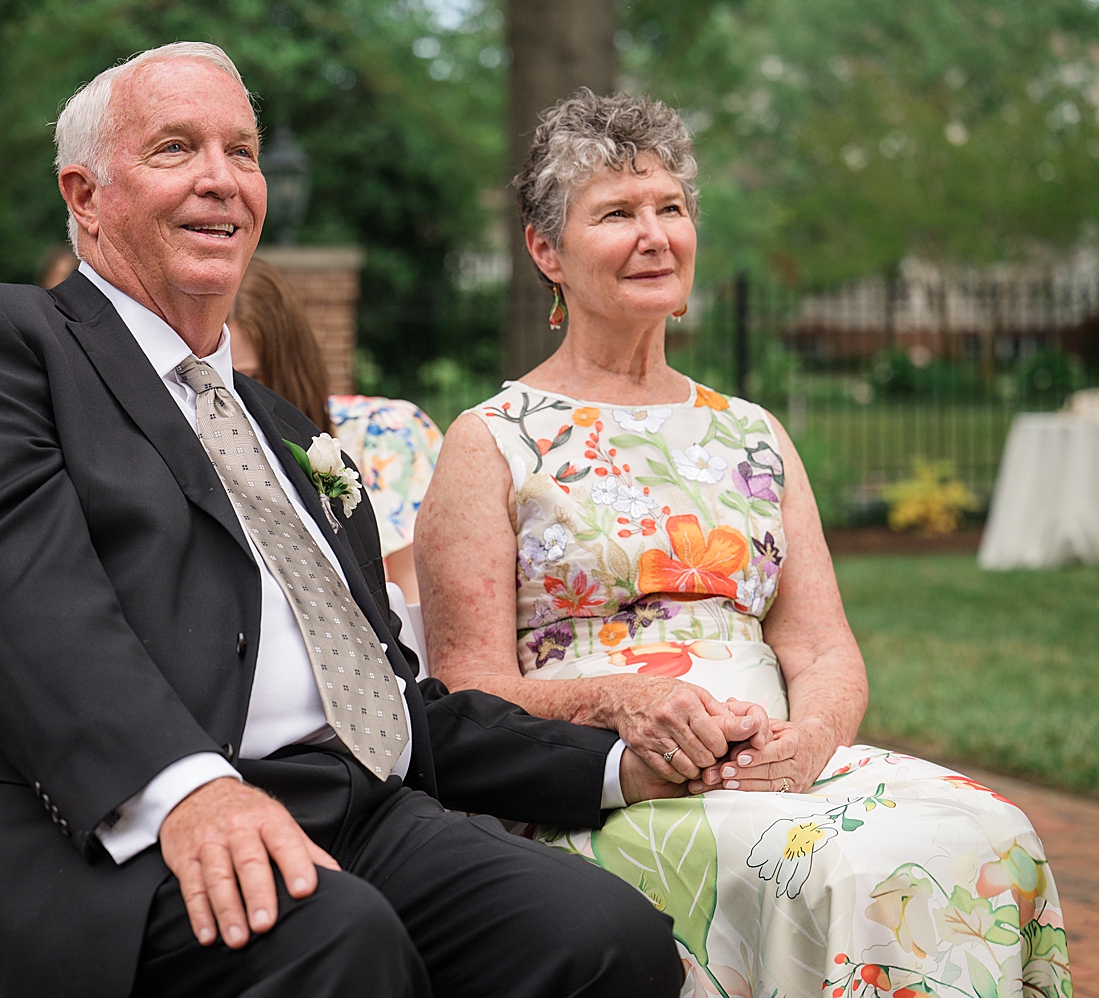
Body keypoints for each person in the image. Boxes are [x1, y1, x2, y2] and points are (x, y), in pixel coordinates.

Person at [0, 42, 698, 998]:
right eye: (176, 149)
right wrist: (186, 786)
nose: (222, 180)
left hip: (343, 811)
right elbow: (11, 599)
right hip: (81, 837)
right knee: (339, 940)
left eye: (241, 152)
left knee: (600, 934)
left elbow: (390, 706)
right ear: (84, 195)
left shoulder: (282, 431)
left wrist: (623, 764)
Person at [417, 91, 1070, 998]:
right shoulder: (490, 441)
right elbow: (464, 693)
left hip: (776, 770)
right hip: (608, 784)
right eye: (615, 214)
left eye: (671, 208)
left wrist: (805, 746)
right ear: (546, 251)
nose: (655, 235)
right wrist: (623, 701)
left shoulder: (753, 434)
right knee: (854, 868)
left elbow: (823, 647)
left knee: (992, 830)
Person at [230, 259, 443, 601]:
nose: (235, 397)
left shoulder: (388, 436)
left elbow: (418, 604)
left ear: (292, 366)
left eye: (252, 378)